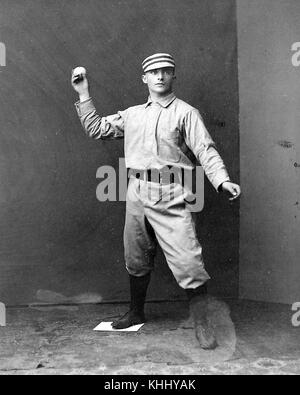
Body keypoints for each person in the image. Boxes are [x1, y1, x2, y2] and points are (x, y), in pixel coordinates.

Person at [71, 53, 241, 350]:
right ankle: (136, 312)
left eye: (166, 71)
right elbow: (96, 128)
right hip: (137, 192)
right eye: (154, 72)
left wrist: (222, 180)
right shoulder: (133, 114)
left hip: (173, 193)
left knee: (188, 261)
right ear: (144, 78)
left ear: (174, 76)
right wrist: (83, 93)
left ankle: (202, 322)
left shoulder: (186, 112)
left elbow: (205, 150)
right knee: (135, 256)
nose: (160, 76)